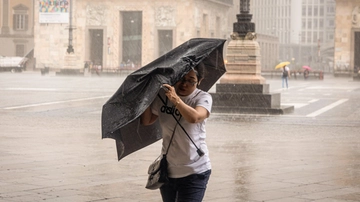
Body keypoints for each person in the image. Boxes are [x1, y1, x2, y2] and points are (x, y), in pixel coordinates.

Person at [140, 63, 212, 202]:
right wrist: (147, 94)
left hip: (195, 171)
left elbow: (194, 117)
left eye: (191, 81)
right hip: (168, 171)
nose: (184, 84)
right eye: (181, 78)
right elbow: (147, 120)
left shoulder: (202, 98)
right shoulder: (163, 96)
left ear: (199, 81)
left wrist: (175, 99)